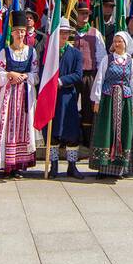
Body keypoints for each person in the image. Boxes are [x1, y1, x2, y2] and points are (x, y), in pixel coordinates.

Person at [0, 11, 38, 177]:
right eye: (17, 31)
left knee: (22, 128)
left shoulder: (32, 52)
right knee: (7, 127)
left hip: (24, 96)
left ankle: (18, 164)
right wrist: (10, 75)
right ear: (12, 33)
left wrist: (25, 76)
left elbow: (35, 74)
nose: (20, 34)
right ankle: (6, 164)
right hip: (8, 97)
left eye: (23, 31)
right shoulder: (5, 52)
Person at [90, 31, 133, 179]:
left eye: (120, 41)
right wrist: (97, 99)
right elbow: (100, 78)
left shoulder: (131, 62)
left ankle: (119, 169)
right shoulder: (108, 59)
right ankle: (102, 168)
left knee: (122, 132)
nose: (117, 44)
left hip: (124, 101)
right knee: (105, 132)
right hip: (107, 100)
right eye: (115, 41)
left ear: (126, 44)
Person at [47, 18, 84, 179]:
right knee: (53, 132)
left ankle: (72, 165)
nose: (64, 35)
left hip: (68, 97)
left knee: (71, 132)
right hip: (52, 97)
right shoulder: (49, 52)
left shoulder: (75, 53)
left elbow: (78, 74)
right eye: (61, 32)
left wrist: (61, 81)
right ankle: (53, 165)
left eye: (66, 33)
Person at [74, 4, 106, 145]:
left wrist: (99, 76)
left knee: (89, 106)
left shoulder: (95, 33)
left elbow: (101, 55)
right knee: (71, 104)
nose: (84, 16)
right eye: (81, 13)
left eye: (86, 13)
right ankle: (71, 137)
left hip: (89, 74)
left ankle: (88, 139)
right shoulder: (69, 32)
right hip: (73, 75)